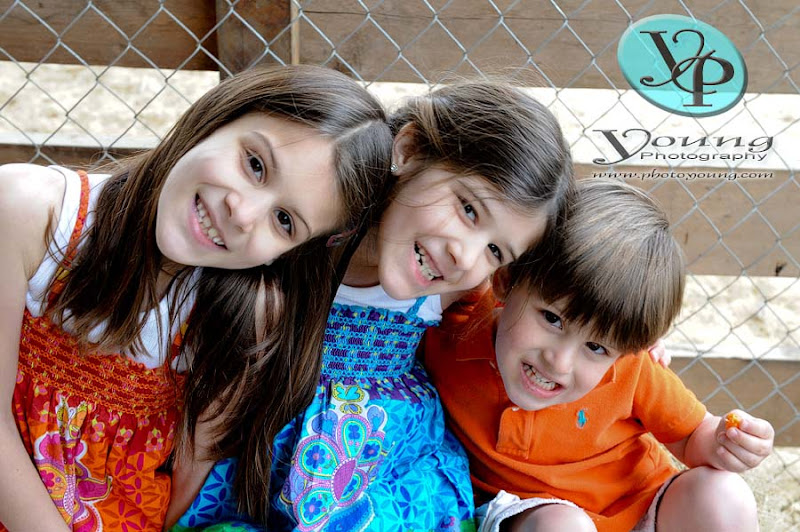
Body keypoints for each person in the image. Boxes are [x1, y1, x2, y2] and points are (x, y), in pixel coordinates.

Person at [0, 64, 393, 532]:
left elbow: (187, 471)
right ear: (220, 116)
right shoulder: (31, 212)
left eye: (285, 221)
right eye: (255, 164)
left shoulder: (242, 311)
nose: (242, 214)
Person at [172, 80, 574, 531]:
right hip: (255, 454)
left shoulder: (457, 288)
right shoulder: (298, 228)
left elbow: (554, 322)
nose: (465, 256)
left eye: (495, 250)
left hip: (382, 471)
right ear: (410, 149)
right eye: (468, 209)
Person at [423, 178, 774, 532]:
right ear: (505, 280)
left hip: (642, 507)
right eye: (552, 319)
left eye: (595, 347)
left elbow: (692, 437)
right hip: (536, 517)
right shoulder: (454, 327)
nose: (559, 362)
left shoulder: (633, 369)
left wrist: (726, 442)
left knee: (724, 494)